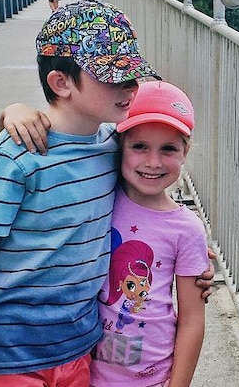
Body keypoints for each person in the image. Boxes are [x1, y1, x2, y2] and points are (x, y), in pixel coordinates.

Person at [0, 0, 164, 386]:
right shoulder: (13, 161)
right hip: (14, 359)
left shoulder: (114, 147)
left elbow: (148, 203)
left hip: (79, 349)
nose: (130, 87)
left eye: (133, 75)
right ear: (61, 82)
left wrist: (191, 251)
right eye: (113, 76)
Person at [90, 80, 209, 387]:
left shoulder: (187, 228)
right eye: (139, 146)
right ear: (120, 147)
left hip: (152, 378)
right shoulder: (97, 196)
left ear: (185, 152)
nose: (153, 162)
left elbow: (193, 319)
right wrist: (13, 113)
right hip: (83, 374)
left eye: (168, 148)